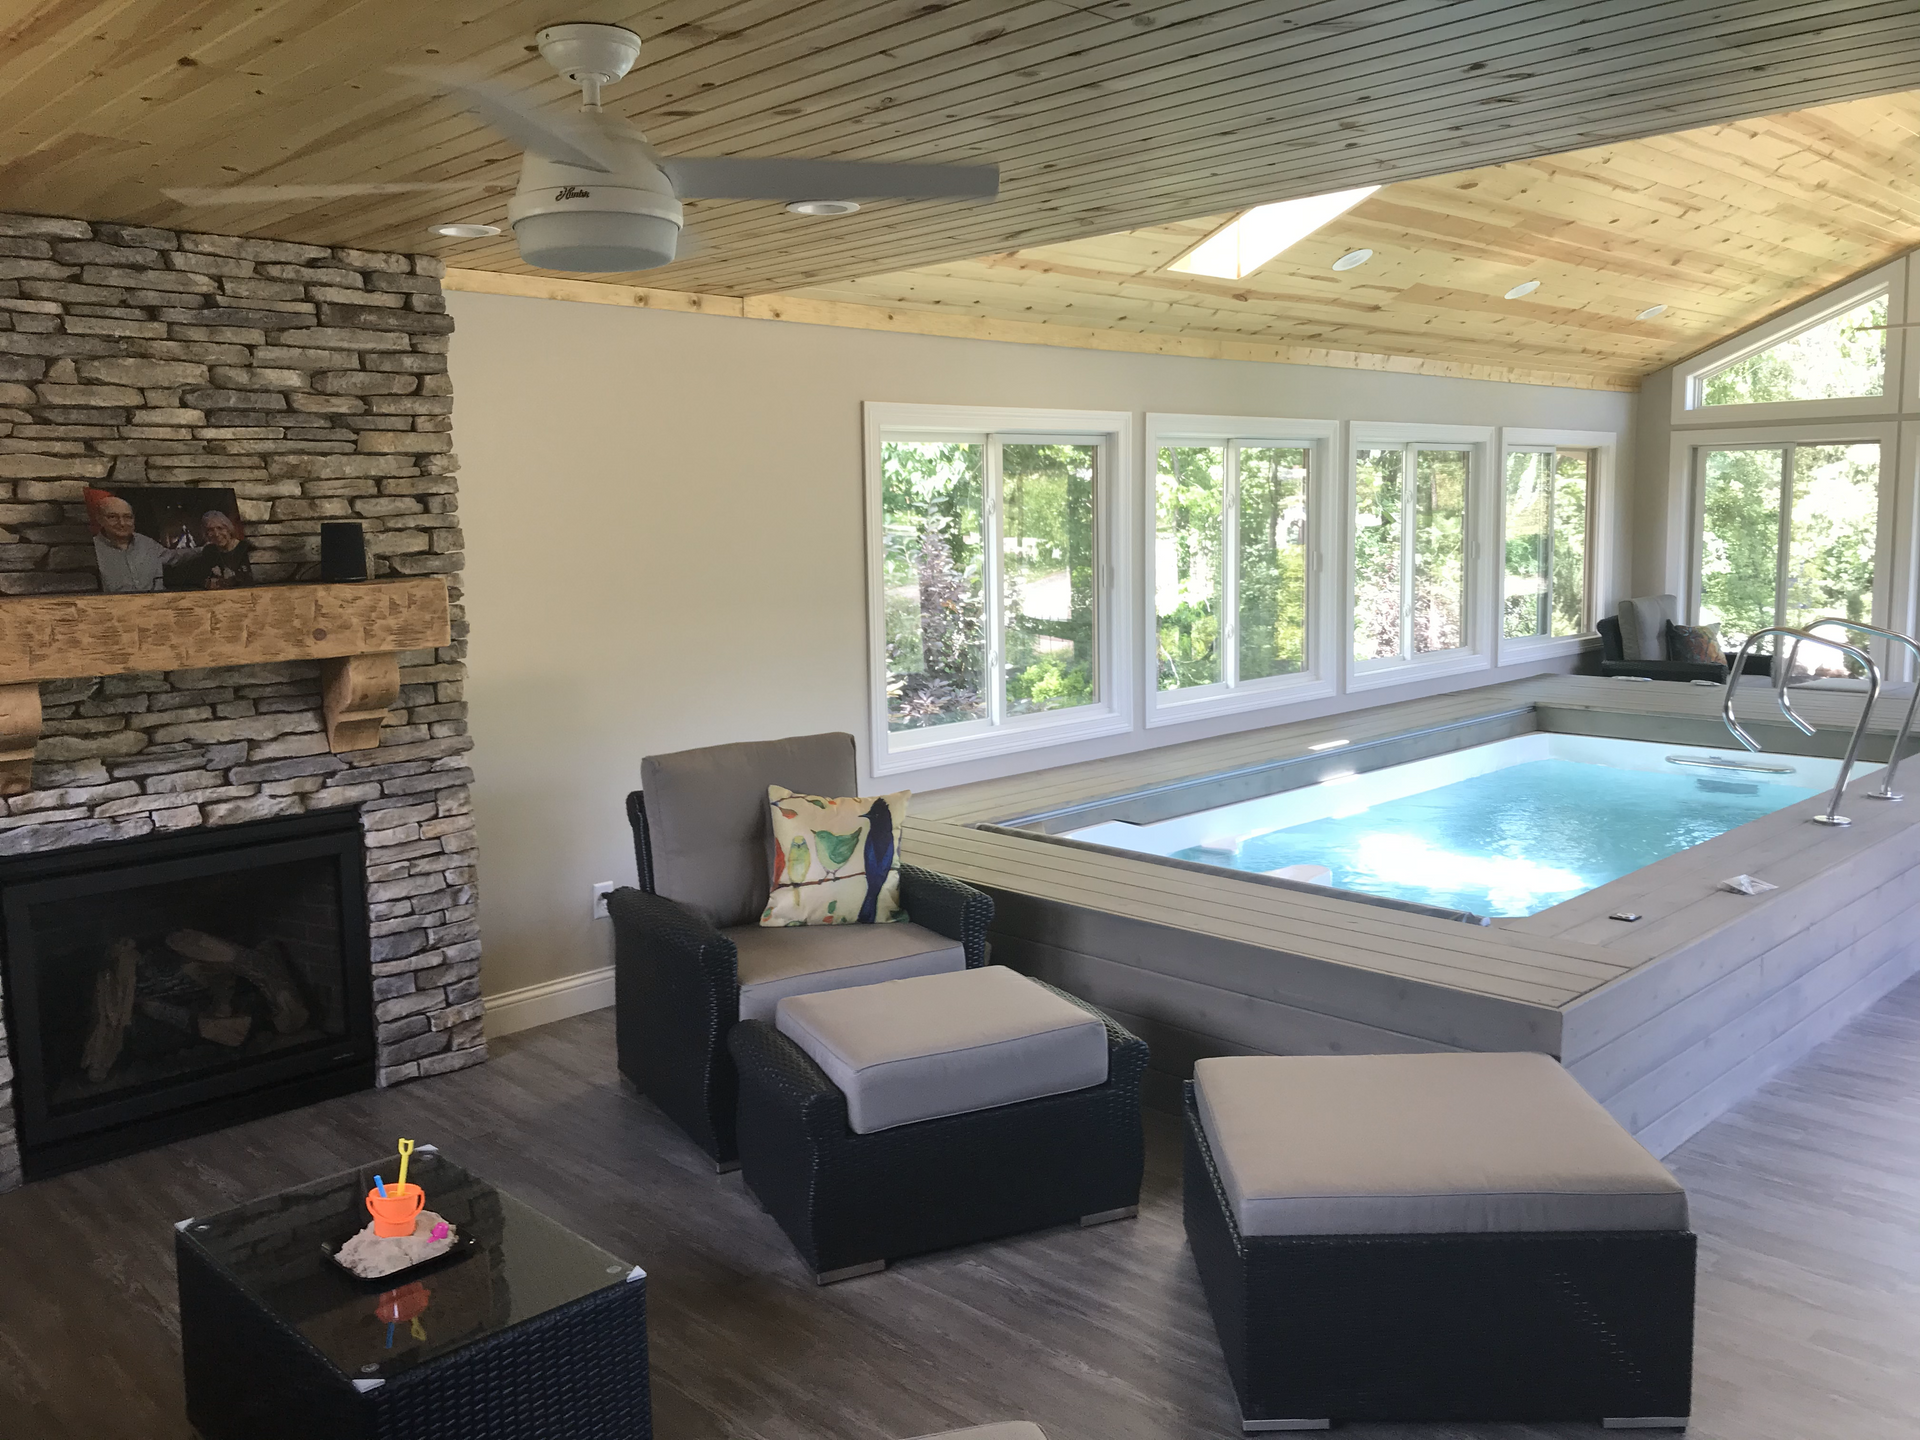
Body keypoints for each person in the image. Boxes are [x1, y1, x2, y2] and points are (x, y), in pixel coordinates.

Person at [89, 492, 168, 593]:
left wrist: (195, 551)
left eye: (127, 517)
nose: (122, 523)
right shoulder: (90, 550)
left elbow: (173, 556)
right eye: (112, 517)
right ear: (99, 519)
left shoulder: (147, 543)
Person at [164, 510, 254, 590]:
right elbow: (202, 578)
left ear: (228, 529)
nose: (216, 534)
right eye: (210, 530)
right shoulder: (210, 551)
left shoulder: (246, 548)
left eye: (220, 528)